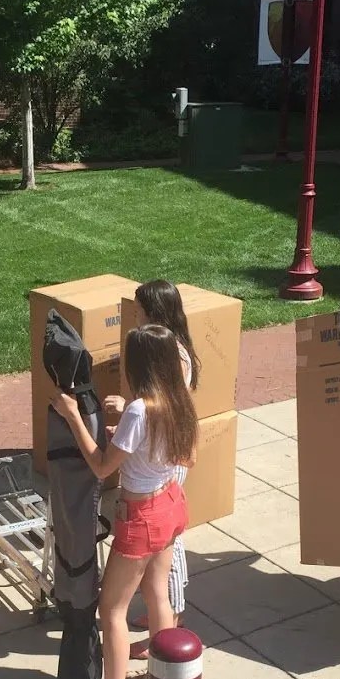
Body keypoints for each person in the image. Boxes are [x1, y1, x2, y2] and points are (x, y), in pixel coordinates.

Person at [50, 324, 197, 679]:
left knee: (111, 610)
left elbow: (100, 465)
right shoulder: (178, 398)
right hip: (170, 503)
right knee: (156, 594)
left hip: (142, 517)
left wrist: (73, 416)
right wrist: (132, 447)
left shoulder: (139, 409)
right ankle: (159, 677)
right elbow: (187, 455)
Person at [107, 279, 202, 659]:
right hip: (165, 457)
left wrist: (133, 426)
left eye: (139, 309)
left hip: (161, 473)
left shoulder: (170, 356)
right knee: (161, 562)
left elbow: (164, 408)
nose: (135, 315)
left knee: (167, 553)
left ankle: (172, 619)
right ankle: (164, 619)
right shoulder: (177, 349)